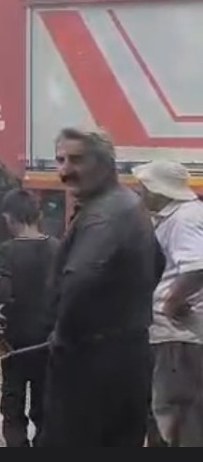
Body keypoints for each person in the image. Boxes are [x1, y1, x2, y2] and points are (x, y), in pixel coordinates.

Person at [40, 128, 159, 447]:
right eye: (60, 160)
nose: (65, 169)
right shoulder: (125, 203)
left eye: (77, 159)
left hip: (94, 364)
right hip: (125, 355)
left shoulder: (106, 214)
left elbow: (79, 281)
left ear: (106, 163)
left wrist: (59, 337)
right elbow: (156, 265)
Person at [133, 160, 203, 447]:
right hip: (173, 335)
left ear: (158, 190)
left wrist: (171, 303)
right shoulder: (171, 216)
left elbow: (196, 266)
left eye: (143, 187)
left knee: (174, 415)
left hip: (178, 337)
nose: (138, 192)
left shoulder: (184, 218)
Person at [0, 188, 59, 447]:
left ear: (8, 218)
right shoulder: (57, 248)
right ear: (38, 214)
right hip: (49, 341)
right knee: (45, 406)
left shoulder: (6, 252)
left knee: (13, 407)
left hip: (15, 343)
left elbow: (0, 294)